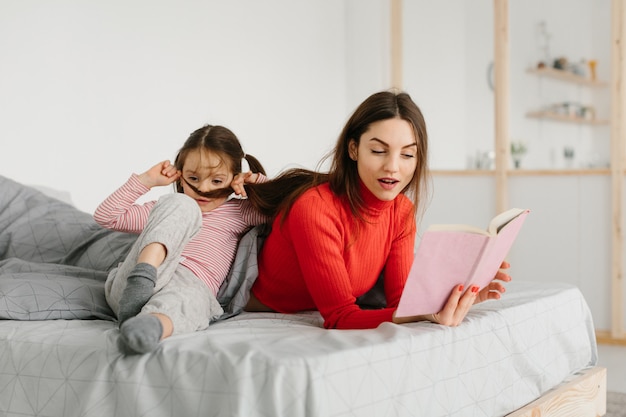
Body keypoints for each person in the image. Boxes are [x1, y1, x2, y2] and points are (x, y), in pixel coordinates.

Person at [244, 90, 511, 329]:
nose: (393, 167)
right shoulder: (314, 208)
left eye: (407, 155)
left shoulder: (402, 211)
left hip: (344, 298)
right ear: (353, 149)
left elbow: (402, 302)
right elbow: (339, 317)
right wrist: (425, 315)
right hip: (262, 305)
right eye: (379, 151)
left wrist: (462, 295)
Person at [94, 124, 268, 354]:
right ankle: (142, 279)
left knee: (194, 299)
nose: (203, 188)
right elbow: (107, 217)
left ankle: (148, 327)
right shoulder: (164, 208)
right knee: (183, 204)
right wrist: (146, 181)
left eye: (216, 181)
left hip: (190, 286)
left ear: (235, 179)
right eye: (193, 178)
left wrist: (257, 182)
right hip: (134, 285)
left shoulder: (240, 212)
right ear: (180, 175)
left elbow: (285, 207)